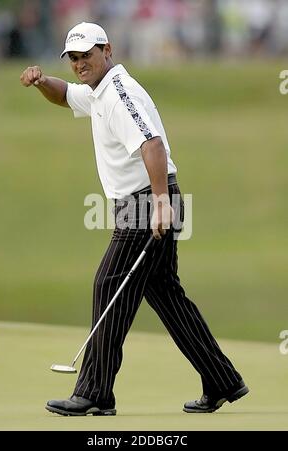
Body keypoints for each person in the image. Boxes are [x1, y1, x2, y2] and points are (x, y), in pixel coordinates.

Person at [20, 22, 249, 416]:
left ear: (106, 50)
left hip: (146, 203)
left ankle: (94, 392)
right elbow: (67, 96)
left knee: (108, 285)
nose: (78, 65)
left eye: (86, 56)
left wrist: (160, 203)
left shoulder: (119, 94)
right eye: (73, 59)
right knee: (167, 296)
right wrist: (42, 81)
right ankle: (222, 380)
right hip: (147, 200)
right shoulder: (100, 91)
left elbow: (153, 145)